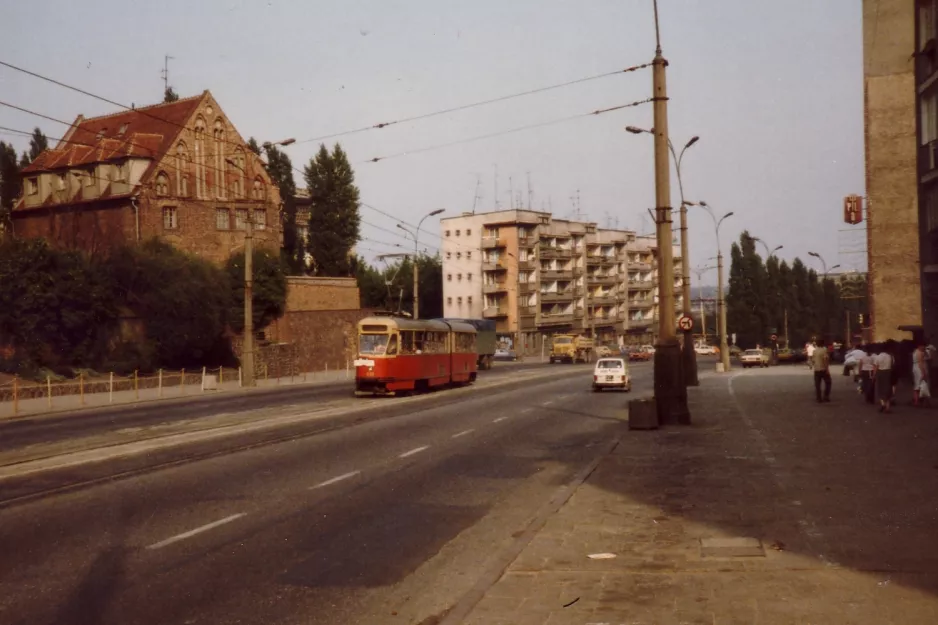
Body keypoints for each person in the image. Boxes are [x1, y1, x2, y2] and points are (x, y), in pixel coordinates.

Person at [873, 343, 895, 413]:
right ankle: (888, 407)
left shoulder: (878, 357)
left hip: (880, 373)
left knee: (880, 389)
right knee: (888, 389)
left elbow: (876, 367)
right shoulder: (890, 357)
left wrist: (873, 375)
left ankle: (883, 404)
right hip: (888, 373)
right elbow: (893, 364)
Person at [912, 342, 930, 407]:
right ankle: (920, 400)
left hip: (917, 369)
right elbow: (920, 363)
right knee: (922, 384)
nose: (924, 348)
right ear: (919, 346)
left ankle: (916, 400)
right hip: (919, 369)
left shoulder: (917, 352)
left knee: (917, 385)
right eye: (923, 346)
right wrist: (923, 372)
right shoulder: (919, 352)